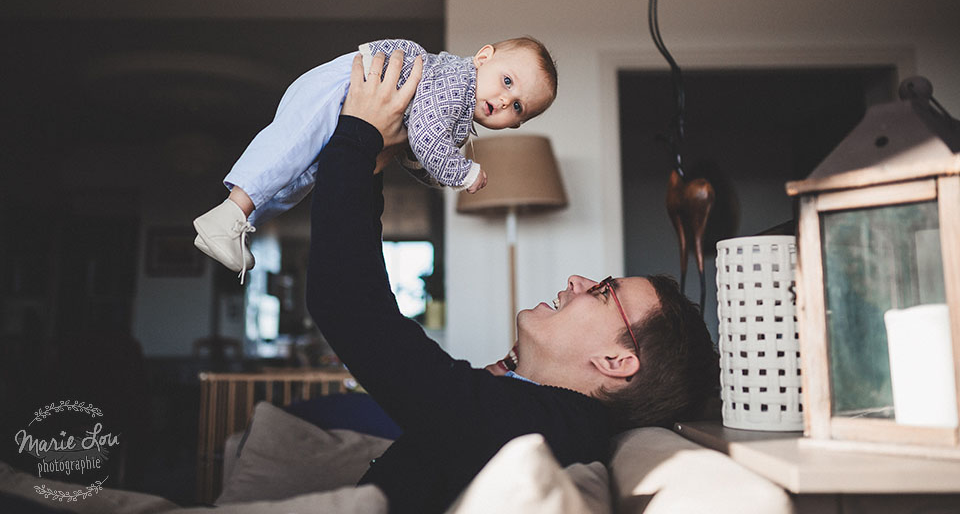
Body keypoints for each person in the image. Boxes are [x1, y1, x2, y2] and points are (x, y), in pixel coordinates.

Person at [306, 50, 719, 514]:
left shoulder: (549, 427)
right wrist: (373, 165)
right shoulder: (536, 411)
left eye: (603, 292)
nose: (578, 280)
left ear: (616, 361)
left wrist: (357, 139)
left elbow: (351, 309)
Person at [193, 37, 558, 281]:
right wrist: (462, 172)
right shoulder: (456, 81)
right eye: (507, 81)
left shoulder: (460, 114)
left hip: (355, 111)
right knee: (290, 150)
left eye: (517, 107)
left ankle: (237, 224)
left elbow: (417, 153)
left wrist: (436, 172)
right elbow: (427, 138)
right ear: (483, 58)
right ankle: (229, 213)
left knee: (298, 180)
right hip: (344, 85)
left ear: (516, 124)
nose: (504, 100)